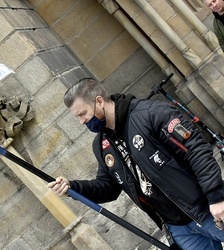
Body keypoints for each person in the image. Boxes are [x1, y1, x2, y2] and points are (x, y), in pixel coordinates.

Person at [47, 78, 224, 249]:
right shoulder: (102, 146)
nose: (82, 121)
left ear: (99, 101)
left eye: (83, 114)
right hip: (177, 228)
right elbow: (107, 187)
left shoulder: (150, 113)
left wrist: (216, 197)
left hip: (207, 210)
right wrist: (73, 188)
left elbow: (196, 151)